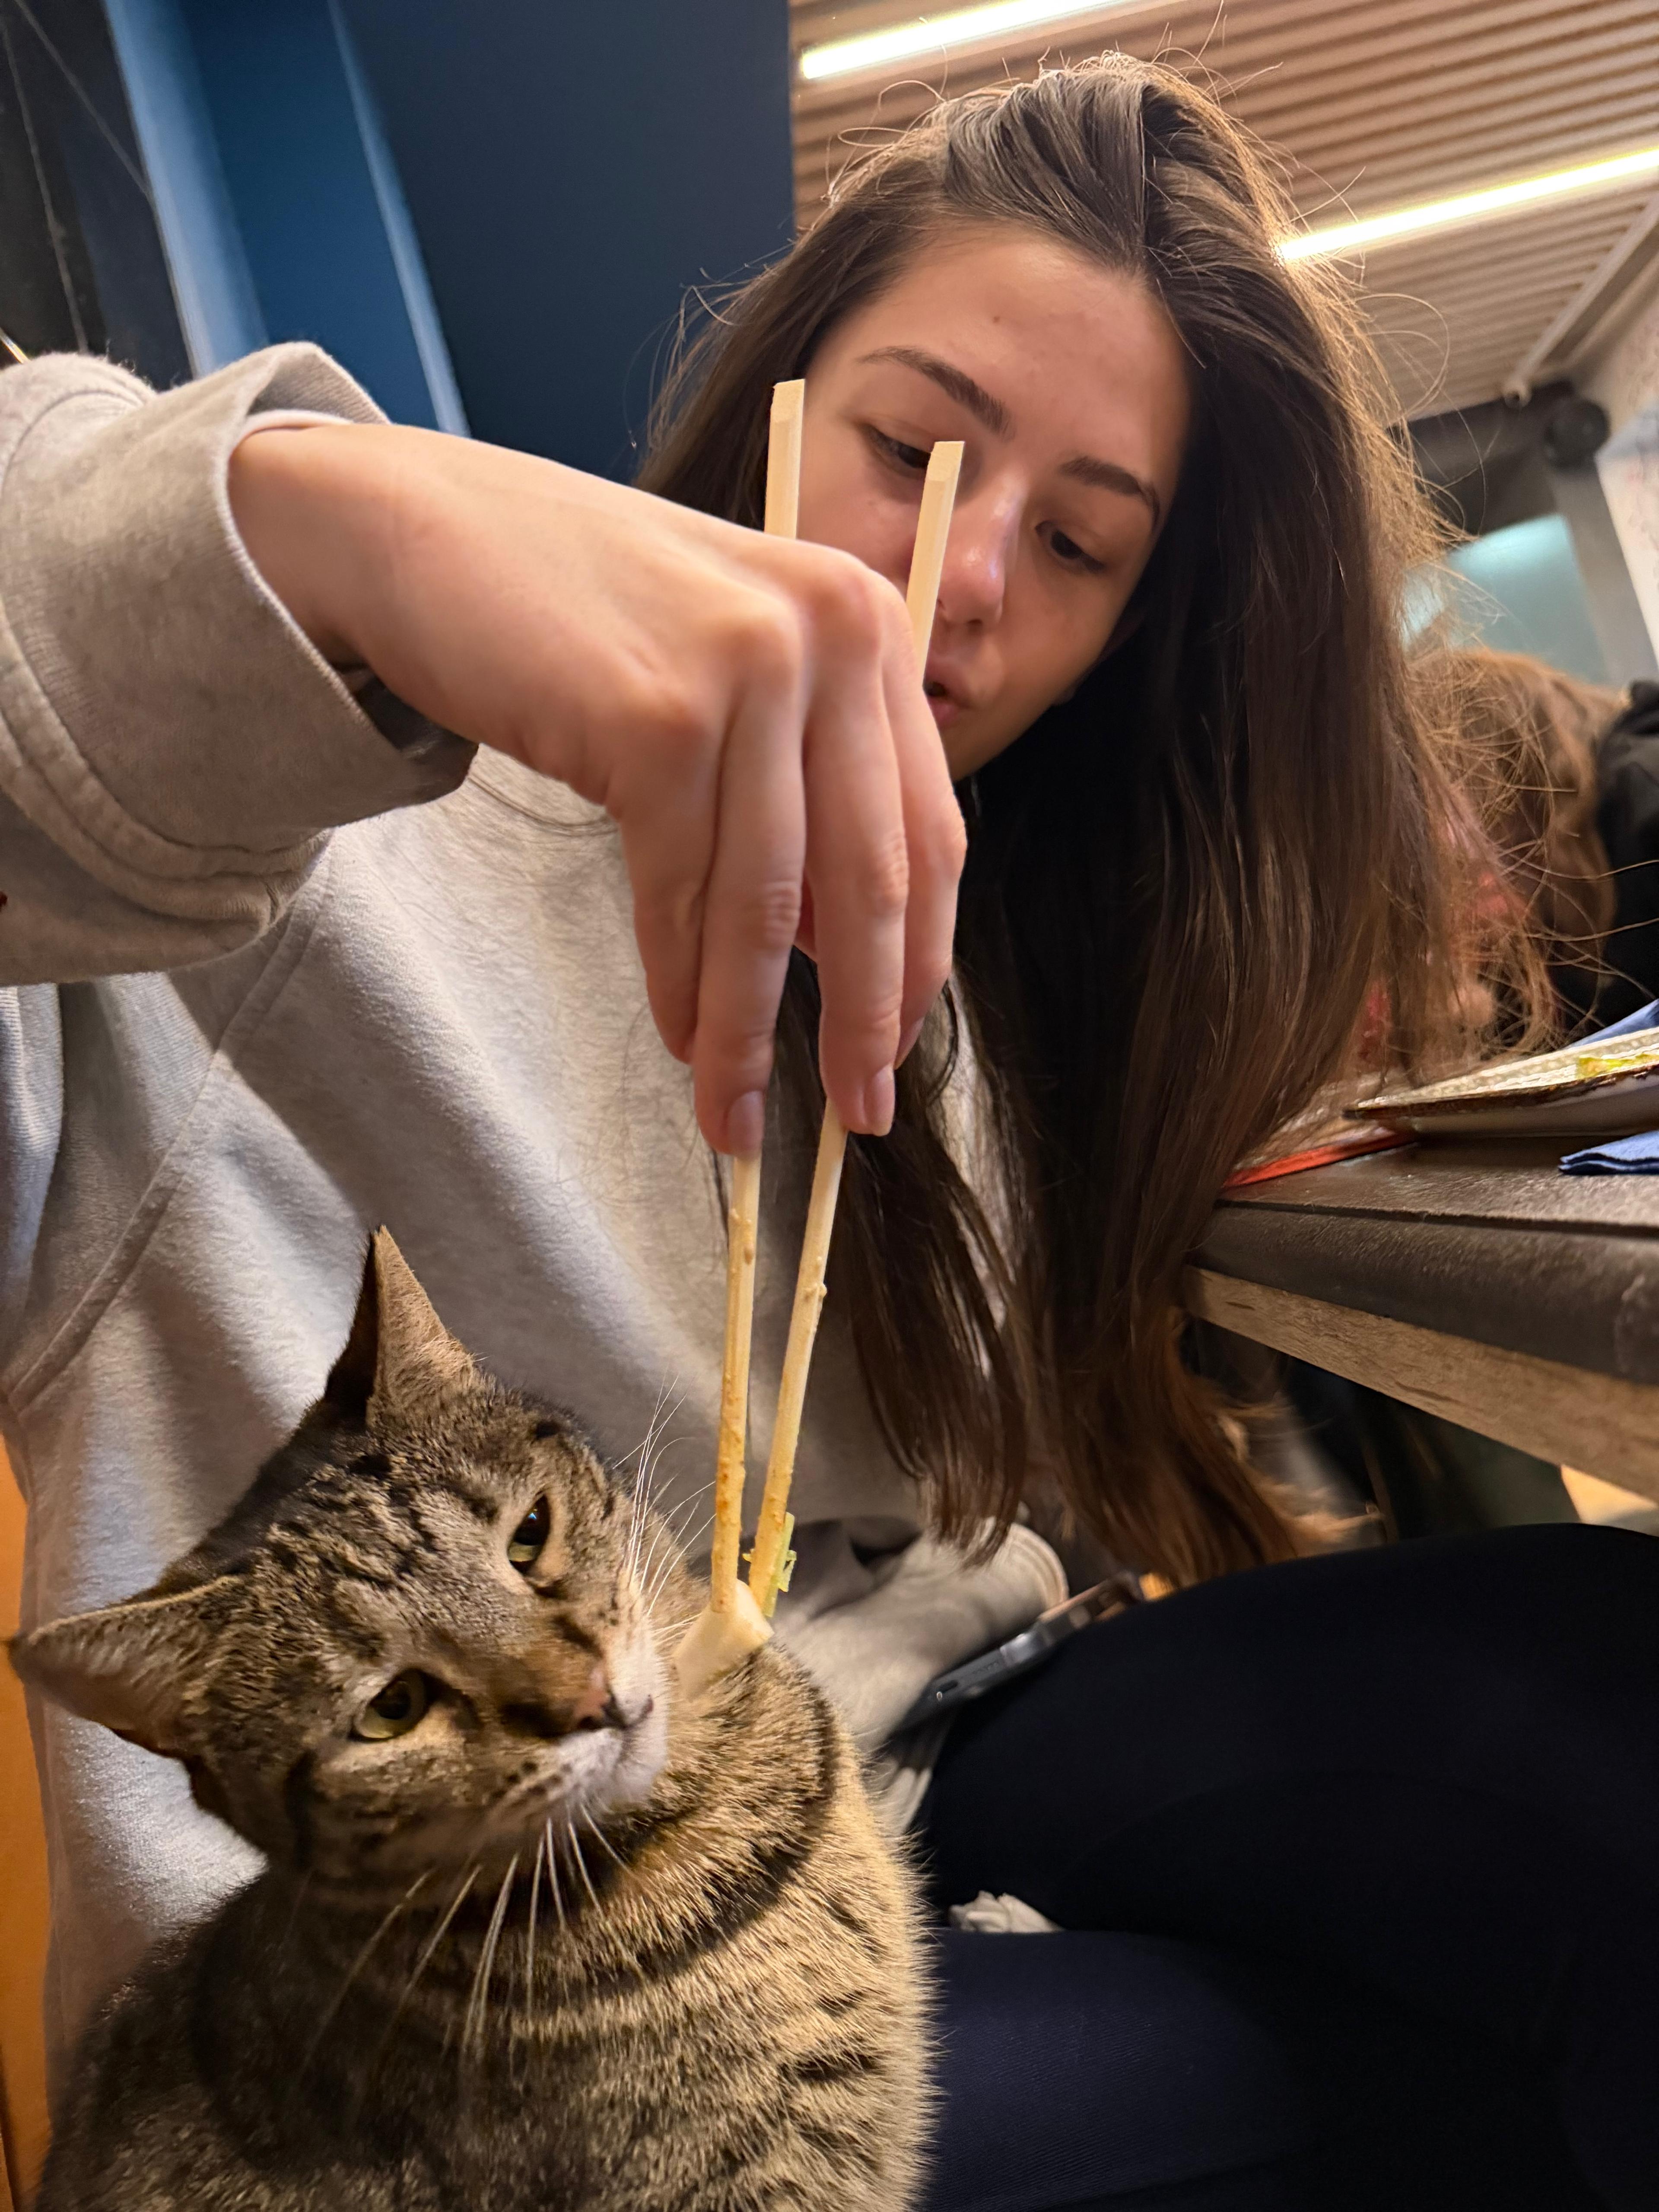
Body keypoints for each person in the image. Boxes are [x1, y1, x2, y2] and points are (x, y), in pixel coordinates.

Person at [1, 52, 1653, 2210]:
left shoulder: (969, 967)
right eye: (909, 446)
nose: (966, 578)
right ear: (779, 390)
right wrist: (333, 520)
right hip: (458, 1978)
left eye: (1075, 545)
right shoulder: (298, 832)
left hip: (929, 1741)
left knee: (1608, 1712)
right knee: (1455, 2105)